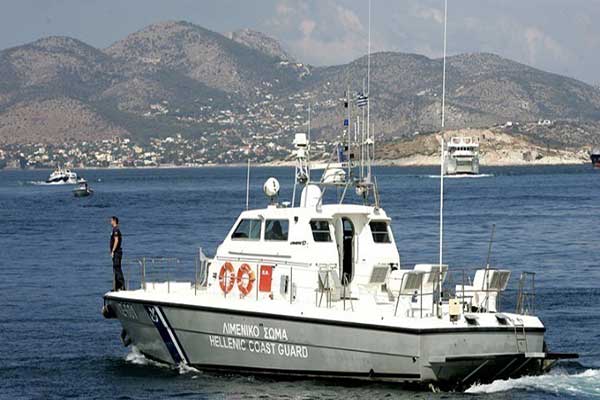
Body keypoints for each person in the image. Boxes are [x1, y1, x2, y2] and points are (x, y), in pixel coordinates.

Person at [110, 216, 125, 291]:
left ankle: (122, 286)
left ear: (114, 221)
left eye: (111, 220)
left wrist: (113, 250)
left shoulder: (116, 230)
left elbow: (116, 240)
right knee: (115, 269)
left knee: (117, 268)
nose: (110, 222)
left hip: (117, 252)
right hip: (116, 252)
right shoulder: (114, 229)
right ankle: (116, 287)